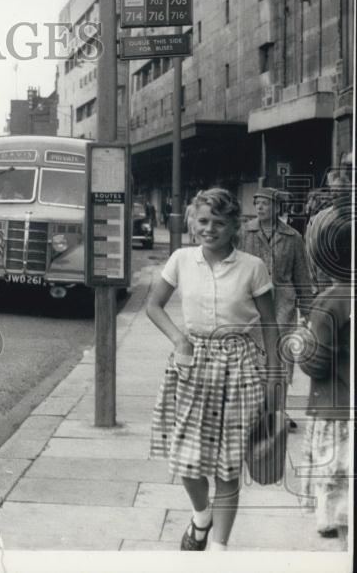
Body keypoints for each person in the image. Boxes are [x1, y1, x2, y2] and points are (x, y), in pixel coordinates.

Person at [147, 188, 281, 552]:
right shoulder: (180, 259)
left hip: (239, 369)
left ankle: (219, 549)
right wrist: (179, 340)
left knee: (227, 466)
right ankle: (201, 516)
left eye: (219, 223)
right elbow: (154, 305)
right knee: (188, 463)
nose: (210, 229)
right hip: (192, 367)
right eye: (204, 221)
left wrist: (274, 378)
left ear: (233, 226)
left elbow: (270, 326)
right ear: (193, 222)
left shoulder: (252, 267)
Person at [298, 200, 351, 543]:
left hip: (336, 410)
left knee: (339, 489)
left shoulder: (330, 302)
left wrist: (302, 341)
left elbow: (315, 363)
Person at [239, 187, 313, 389]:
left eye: (265, 203)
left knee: (281, 356)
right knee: (253, 356)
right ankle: (257, 407)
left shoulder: (293, 237)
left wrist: (307, 311)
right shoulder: (245, 233)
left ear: (278, 207)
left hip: (283, 305)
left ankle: (279, 409)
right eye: (257, 203)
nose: (260, 207)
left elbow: (302, 276)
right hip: (251, 304)